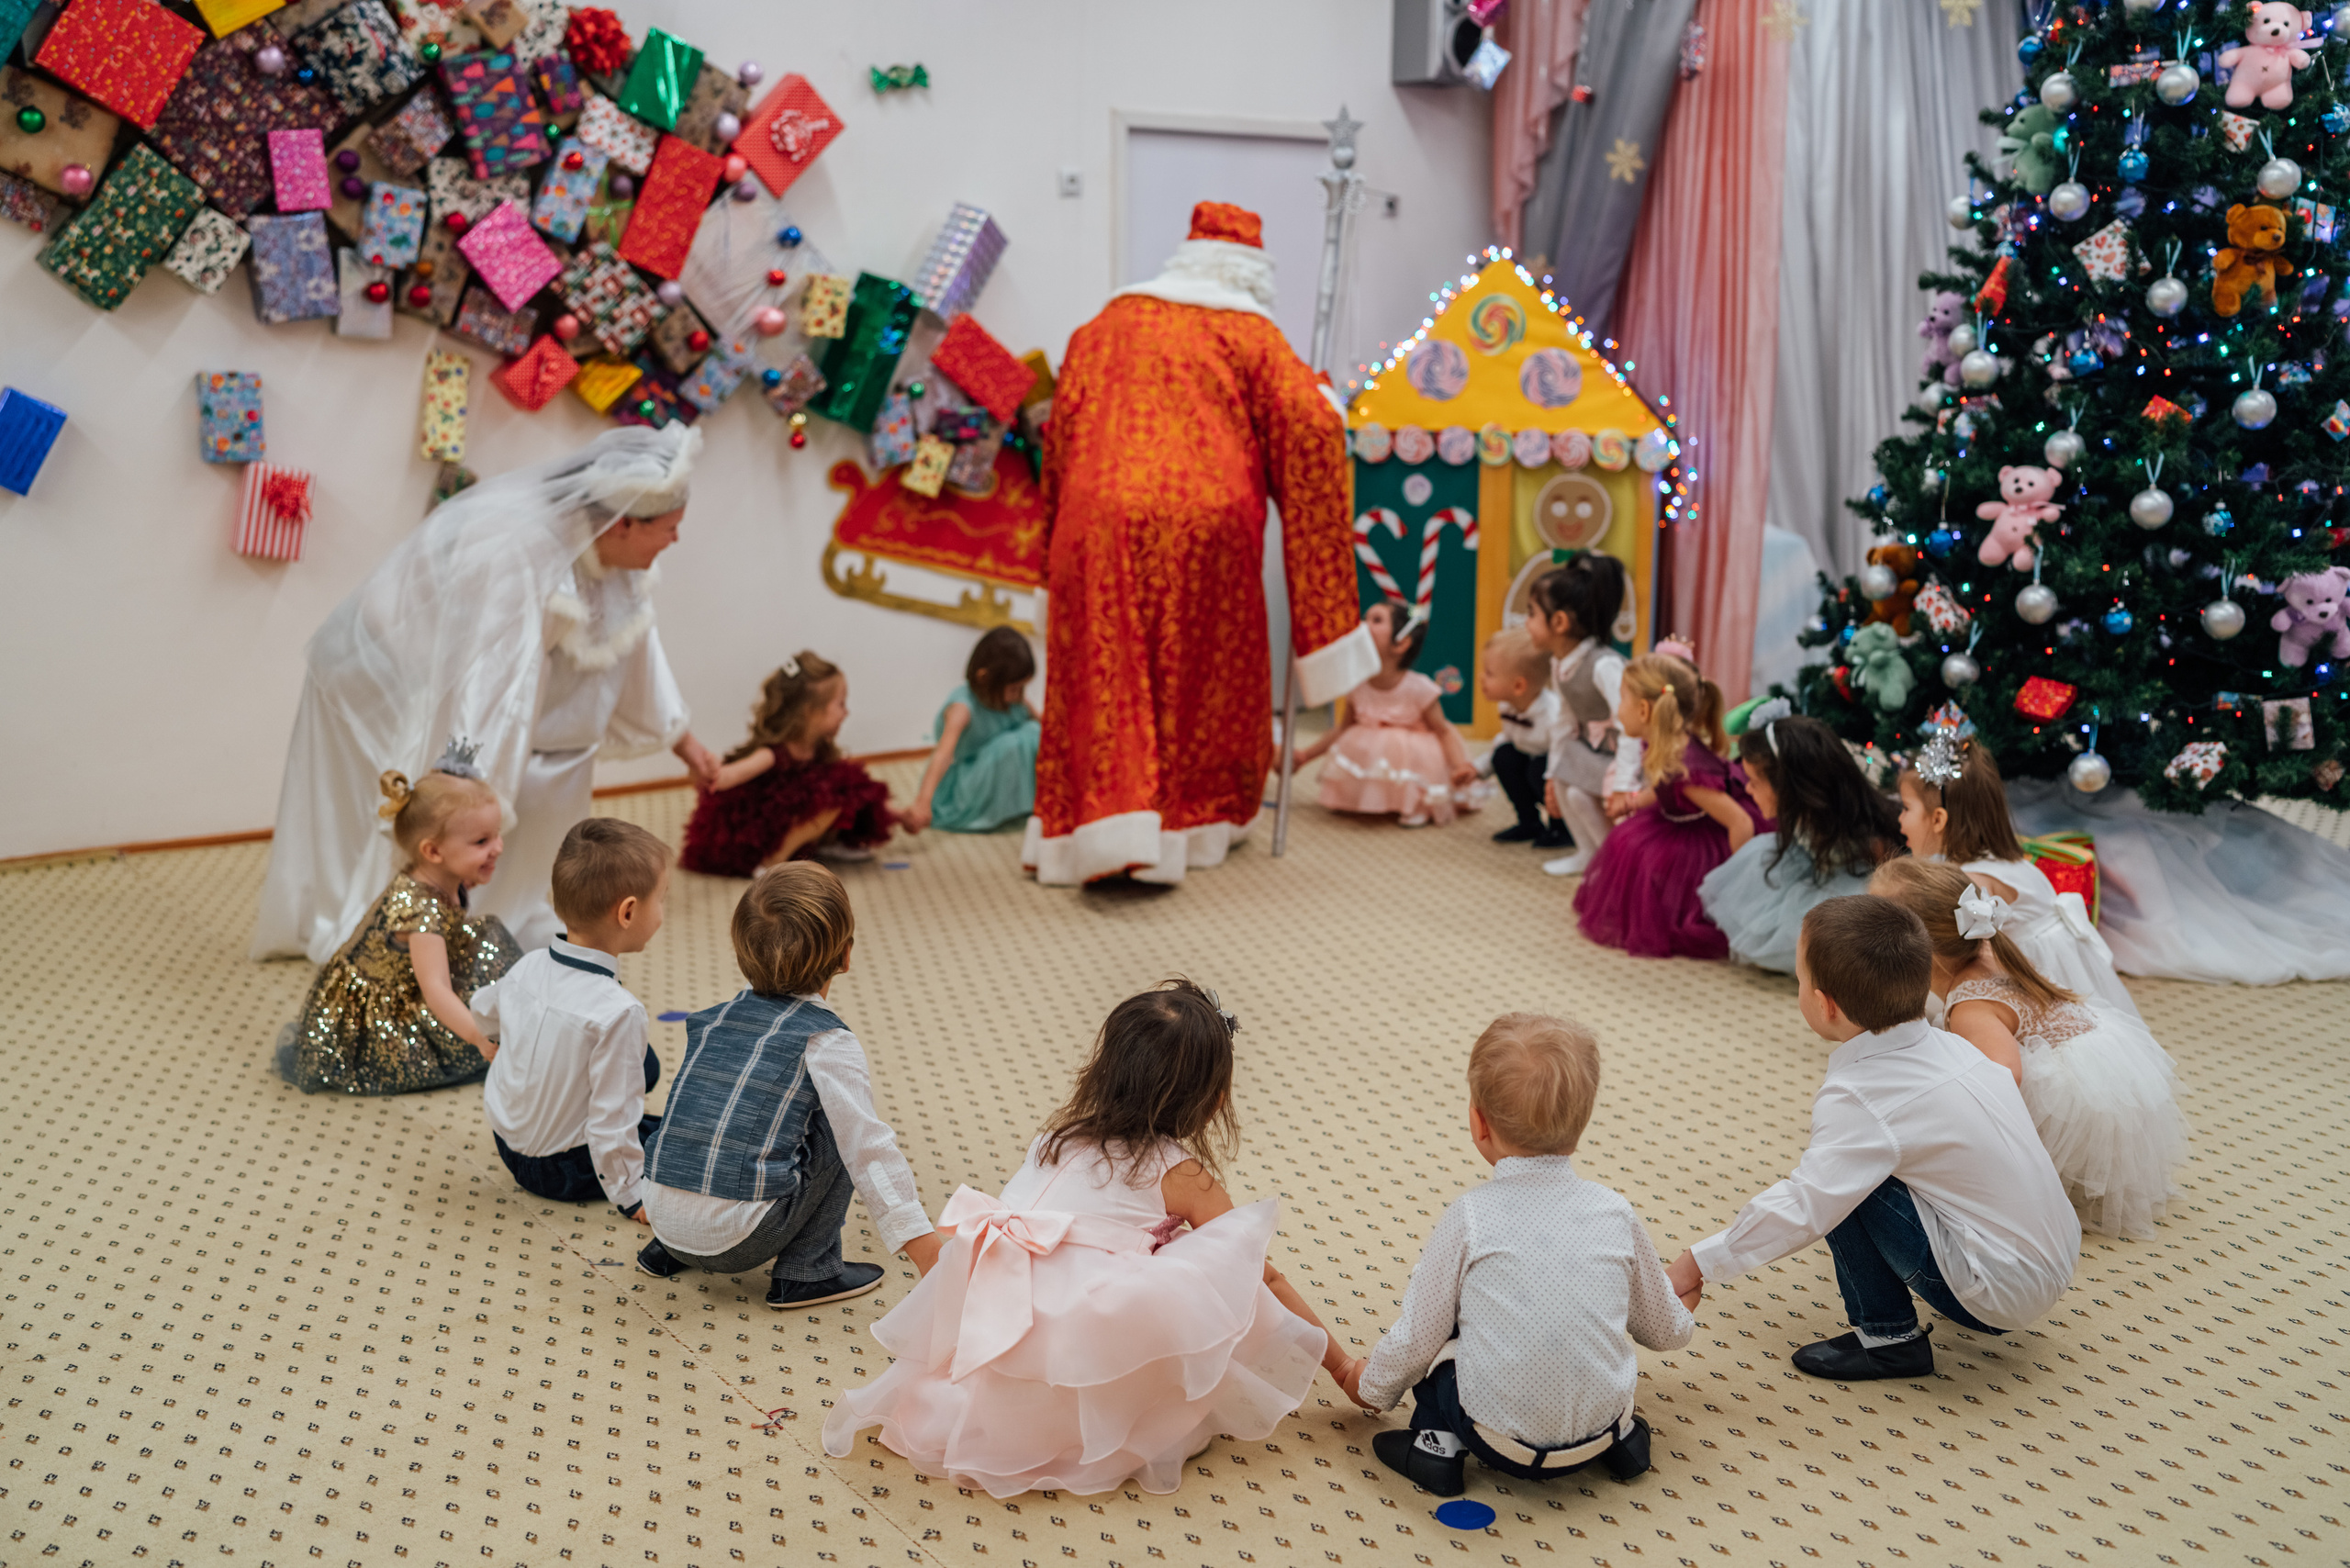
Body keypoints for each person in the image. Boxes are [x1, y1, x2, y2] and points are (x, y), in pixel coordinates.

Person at [822, 979, 1360, 1496]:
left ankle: (988, 1403)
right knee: (1217, 1264)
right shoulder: (1179, 1172)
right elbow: (1264, 1276)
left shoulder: (1053, 1139)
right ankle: (1095, 1414)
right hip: (1073, 1341)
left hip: (996, 1314)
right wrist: (1341, 1366)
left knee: (1144, 1258)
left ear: (1103, 1070)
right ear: (1215, 1101)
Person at [252, 425, 721, 961]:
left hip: (532, 727)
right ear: (625, 522)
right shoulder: (520, 555)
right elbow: (492, 687)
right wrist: (469, 792)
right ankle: (407, 935)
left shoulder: (624, 562)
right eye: (669, 528)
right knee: (415, 821)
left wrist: (685, 744)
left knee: (528, 833)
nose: (674, 540)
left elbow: (635, 650)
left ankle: (490, 927)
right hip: (382, 678)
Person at [1025, 201, 1375, 886]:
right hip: (1205, 527)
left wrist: (1051, 549)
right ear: (1252, 271)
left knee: (1103, 667)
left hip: (1095, 514)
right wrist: (1326, 399)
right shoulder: (1252, 331)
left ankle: (1095, 830)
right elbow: (1309, 427)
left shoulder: (1103, 325)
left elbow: (1060, 435)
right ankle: (1184, 829)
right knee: (1200, 677)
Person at [1665, 895, 2082, 1381]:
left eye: (1800, 981)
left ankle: (1889, 1340)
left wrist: (1695, 1265)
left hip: (1997, 1291)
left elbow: (1806, 1205)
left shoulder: (1862, 1096)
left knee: (1844, 1184)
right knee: (1860, 1167)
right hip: (2052, 1256)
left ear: (1825, 1005)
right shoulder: (1954, 1046)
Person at [1347, 1014, 1691, 1498]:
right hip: (1603, 1428)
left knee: (1446, 1336)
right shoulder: (1614, 1210)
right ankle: (1623, 1444)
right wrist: (1682, 1310)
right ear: (1583, 1123)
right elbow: (1664, 1330)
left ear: (1479, 1123)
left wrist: (1372, 1387)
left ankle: (1435, 1449)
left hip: (1497, 1442)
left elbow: (1419, 1337)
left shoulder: (1470, 1218)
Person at [636, 865, 942, 1308]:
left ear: (742, 953)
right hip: (739, 1242)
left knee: (714, 1102)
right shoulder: (826, 1040)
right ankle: (808, 1271)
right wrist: (925, 1247)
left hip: (660, 1217)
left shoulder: (712, 1019)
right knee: (841, 1124)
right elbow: (867, 1147)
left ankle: (669, 1250)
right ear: (845, 956)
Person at [1869, 858, 2189, 1240]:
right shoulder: (1990, 951)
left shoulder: (1971, 1006)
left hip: (2082, 1100)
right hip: (2109, 1065)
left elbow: (2004, 1079)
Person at [276, 744, 518, 1095]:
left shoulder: (441, 874)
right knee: (487, 946)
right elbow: (436, 990)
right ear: (432, 851)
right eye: (482, 841)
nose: (497, 847)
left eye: (496, 835)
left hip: (407, 980)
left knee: (486, 936)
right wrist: (477, 1036)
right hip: (379, 1017)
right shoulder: (419, 913)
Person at [475, 817, 671, 1219]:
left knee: (642, 1066)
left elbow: (483, 1009)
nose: (663, 912)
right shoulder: (620, 1011)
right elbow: (611, 1121)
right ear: (628, 912)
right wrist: (632, 1195)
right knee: (687, 1135)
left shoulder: (527, 965)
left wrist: (497, 1038)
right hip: (564, 1170)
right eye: (662, 899)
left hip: (508, 1147)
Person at [1895, 732, 2138, 1017]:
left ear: (1938, 819)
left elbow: (1959, 963)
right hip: (2064, 964)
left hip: (2038, 978)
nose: (1900, 819)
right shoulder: (2002, 859)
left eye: (1906, 808)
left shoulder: (1974, 882)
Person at [1572, 654, 1762, 958]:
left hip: (1710, 833)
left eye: (1622, 699)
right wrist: (1635, 801)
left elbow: (1740, 822)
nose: (1618, 709)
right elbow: (1663, 786)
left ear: (1644, 710)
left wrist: (1738, 883)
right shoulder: (1662, 741)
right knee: (1628, 843)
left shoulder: (1687, 768)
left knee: (1652, 859)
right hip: (1677, 815)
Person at [1698, 702, 1903, 972]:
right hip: (1812, 869)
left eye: (1755, 783)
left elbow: (1888, 892)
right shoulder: (1803, 814)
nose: (1748, 790)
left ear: (1788, 786)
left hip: (1851, 887)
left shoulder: (1862, 832)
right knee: (1761, 860)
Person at [677, 653, 894, 877]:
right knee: (836, 795)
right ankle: (773, 861)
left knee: (849, 786)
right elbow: (729, 776)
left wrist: (899, 815)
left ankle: (827, 842)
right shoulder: (775, 753)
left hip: (791, 817)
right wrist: (707, 770)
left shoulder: (818, 747)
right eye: (841, 704)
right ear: (811, 711)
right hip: (758, 829)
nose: (846, 712)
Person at [1295, 601, 1477, 826]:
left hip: (1414, 758)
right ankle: (1360, 798)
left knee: (1404, 748)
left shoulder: (1419, 688)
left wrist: (1460, 766)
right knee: (1357, 741)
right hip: (1374, 756)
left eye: (1376, 620)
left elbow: (1443, 731)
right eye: (1365, 618)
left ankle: (1416, 803)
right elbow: (1342, 730)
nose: (1363, 625)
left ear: (1401, 643)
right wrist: (1305, 756)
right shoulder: (1357, 685)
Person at [1527, 555, 1640, 877]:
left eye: (1531, 613)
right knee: (1569, 783)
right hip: (1598, 750)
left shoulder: (1604, 665)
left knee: (1581, 789)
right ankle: (1589, 855)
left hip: (1628, 758)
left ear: (1560, 622)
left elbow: (1631, 729)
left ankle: (1615, 864)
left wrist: (1624, 785)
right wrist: (1552, 775)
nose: (1526, 623)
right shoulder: (1559, 663)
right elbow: (1564, 722)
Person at [899, 626, 1040, 834]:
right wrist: (923, 802)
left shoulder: (1015, 701)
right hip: (969, 783)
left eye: (1022, 688)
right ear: (985, 678)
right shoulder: (963, 709)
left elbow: (1045, 726)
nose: (1019, 695)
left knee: (1034, 731)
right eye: (1014, 688)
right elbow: (942, 755)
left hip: (999, 777)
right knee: (1015, 742)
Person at [1478, 626, 1568, 846]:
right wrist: (1478, 769)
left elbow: (1565, 754)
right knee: (1504, 756)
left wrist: (1553, 784)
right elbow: (1507, 739)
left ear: (1518, 685)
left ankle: (1562, 828)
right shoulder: (1507, 706)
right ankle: (1529, 822)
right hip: (1531, 761)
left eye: (1489, 673)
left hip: (1558, 770)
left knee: (1538, 769)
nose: (1481, 678)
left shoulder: (1552, 715)